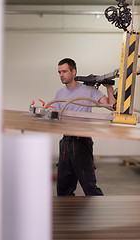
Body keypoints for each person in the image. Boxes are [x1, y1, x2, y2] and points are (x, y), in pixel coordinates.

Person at [53, 58, 116, 196]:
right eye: (59, 72)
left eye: (64, 71)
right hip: (65, 142)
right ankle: (68, 216)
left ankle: (101, 215)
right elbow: (54, 116)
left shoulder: (89, 90)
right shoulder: (59, 94)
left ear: (73, 72)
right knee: (63, 189)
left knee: (89, 188)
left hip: (81, 143)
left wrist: (109, 89)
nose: (61, 75)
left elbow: (111, 107)